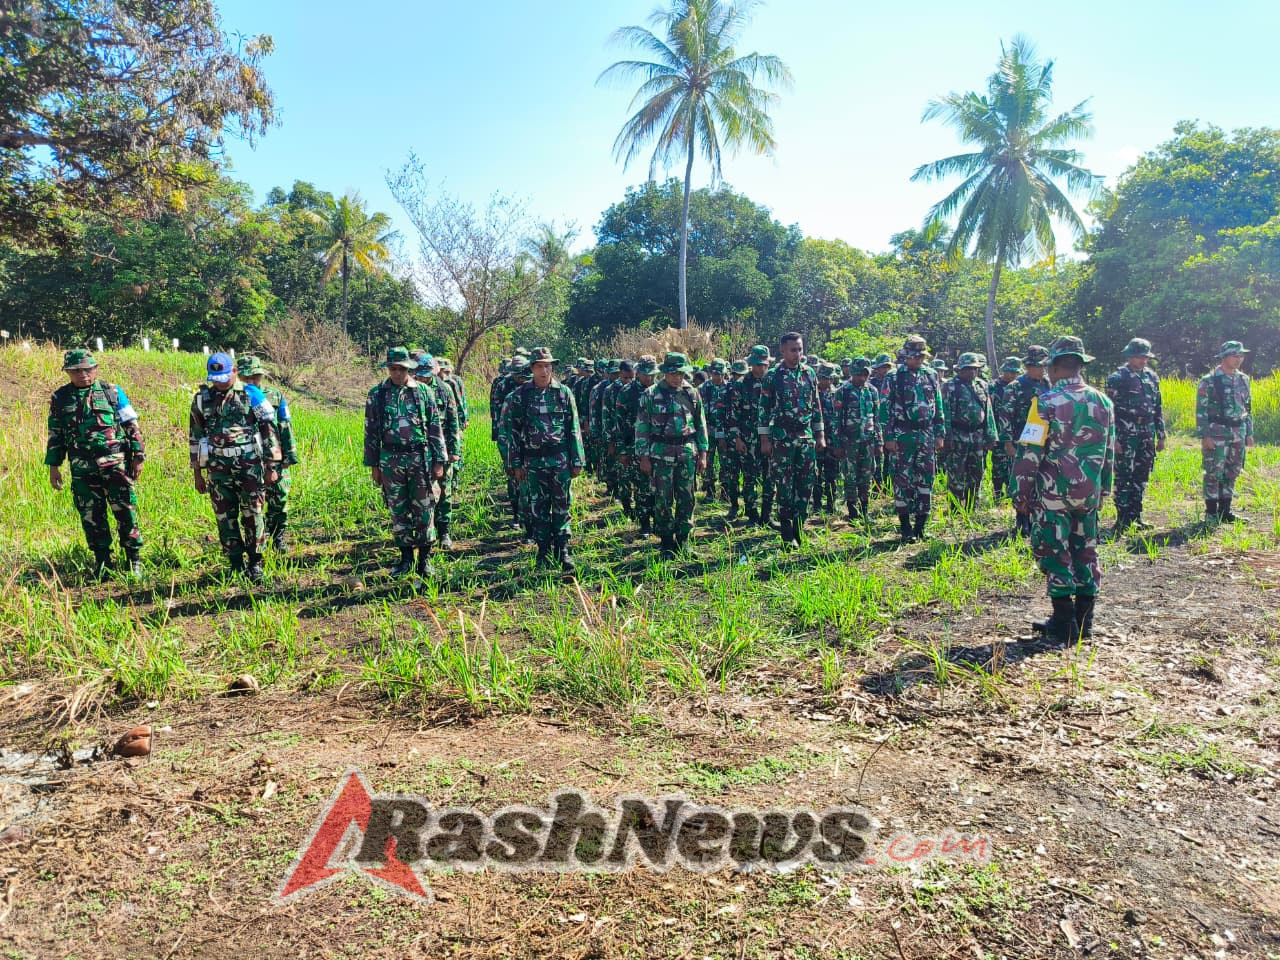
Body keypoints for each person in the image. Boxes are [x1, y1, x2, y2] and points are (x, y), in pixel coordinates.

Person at [1012, 337, 1115, 645]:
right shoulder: (1103, 402)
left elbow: (1029, 452)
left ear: (1054, 367)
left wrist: (1020, 493)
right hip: (1089, 492)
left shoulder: (1044, 403)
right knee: (1086, 550)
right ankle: (1086, 623)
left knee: (1054, 552)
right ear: (1080, 365)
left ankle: (1063, 623)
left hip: (1052, 494)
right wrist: (1104, 487)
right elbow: (1109, 451)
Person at [45, 348, 146, 578]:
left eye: (87, 369)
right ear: (68, 372)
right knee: (91, 516)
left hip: (116, 467)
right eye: (76, 371)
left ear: (96, 369)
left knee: (125, 511)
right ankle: (103, 563)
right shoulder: (60, 398)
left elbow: (131, 426)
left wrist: (138, 456)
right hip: (82, 469)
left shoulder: (112, 392)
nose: (83, 375)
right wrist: (54, 466)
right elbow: (56, 434)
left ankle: (134, 561)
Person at [190, 352, 282, 582]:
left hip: (248, 465)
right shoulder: (202, 399)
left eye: (223, 376)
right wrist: (197, 474)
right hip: (217, 467)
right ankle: (235, 562)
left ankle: (256, 561)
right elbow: (195, 437)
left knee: (253, 513)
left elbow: (269, 431)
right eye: (215, 378)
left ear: (234, 372)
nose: (219, 382)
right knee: (224, 515)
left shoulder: (252, 394)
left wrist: (272, 466)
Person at [497, 347, 585, 573]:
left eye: (548, 366)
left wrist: (577, 460)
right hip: (533, 462)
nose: (544, 371)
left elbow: (573, 427)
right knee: (537, 506)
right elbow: (509, 432)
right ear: (532, 368)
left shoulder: (564, 393)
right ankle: (543, 550)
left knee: (562, 504)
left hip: (560, 459)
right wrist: (513, 463)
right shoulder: (519, 396)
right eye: (539, 366)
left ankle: (563, 550)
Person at [363, 347, 447, 577]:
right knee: (398, 509)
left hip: (419, 458)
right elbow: (370, 432)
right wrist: (374, 466)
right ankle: (406, 559)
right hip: (390, 459)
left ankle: (425, 561)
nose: (398, 373)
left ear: (409, 368)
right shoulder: (377, 394)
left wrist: (439, 461)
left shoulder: (423, 392)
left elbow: (435, 429)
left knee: (424, 508)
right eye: (393, 369)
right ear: (388, 369)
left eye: (402, 368)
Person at [635, 352, 709, 556]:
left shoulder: (691, 393)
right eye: (674, 373)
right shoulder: (650, 395)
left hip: (687, 453)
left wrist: (703, 453)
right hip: (660, 455)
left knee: (687, 498)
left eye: (681, 373)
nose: (678, 377)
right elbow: (642, 427)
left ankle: (684, 540)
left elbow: (700, 425)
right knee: (663, 500)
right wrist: (644, 457)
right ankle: (667, 543)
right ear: (665, 373)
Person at [759, 333, 826, 546]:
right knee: (785, 486)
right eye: (792, 350)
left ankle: (799, 529)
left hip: (805, 437)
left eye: (799, 349)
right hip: (782, 438)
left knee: (806, 484)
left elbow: (816, 406)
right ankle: (787, 535)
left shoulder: (809, 374)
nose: (797, 354)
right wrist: (765, 440)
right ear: (782, 351)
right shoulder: (773, 376)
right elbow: (764, 410)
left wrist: (820, 435)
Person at [883, 336, 946, 543]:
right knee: (902, 480)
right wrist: (889, 436)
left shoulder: (930, 375)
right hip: (903, 435)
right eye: (916, 355)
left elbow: (938, 405)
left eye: (922, 355)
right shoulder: (894, 377)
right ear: (906, 356)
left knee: (926, 478)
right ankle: (905, 527)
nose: (919, 359)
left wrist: (939, 433)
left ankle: (921, 526)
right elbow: (885, 409)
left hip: (926, 435)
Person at [1105, 338, 1167, 535]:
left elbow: (1158, 407)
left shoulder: (1152, 377)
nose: (1143, 361)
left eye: (1146, 357)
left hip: (1146, 432)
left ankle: (1136, 516)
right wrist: (1112, 438)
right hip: (1125, 432)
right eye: (1140, 356)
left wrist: (1161, 434)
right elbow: (1109, 410)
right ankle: (1122, 519)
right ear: (1130, 356)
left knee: (1142, 475)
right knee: (1124, 475)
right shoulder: (1117, 378)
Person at [237, 355, 297, 552]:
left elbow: (285, 427)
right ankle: (258, 540)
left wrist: (288, 457)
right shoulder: (234, 398)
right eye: (247, 378)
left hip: (275, 457)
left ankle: (278, 537)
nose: (252, 381)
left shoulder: (275, 396)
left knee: (279, 498)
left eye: (255, 376)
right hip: (248, 459)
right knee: (253, 503)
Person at [1196, 341, 1255, 523]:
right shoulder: (1210, 381)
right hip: (1217, 433)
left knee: (1233, 471)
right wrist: (1204, 436)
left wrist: (1249, 433)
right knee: (1214, 472)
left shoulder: (1243, 379)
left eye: (1241, 355)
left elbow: (1248, 407)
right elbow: (1201, 411)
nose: (1239, 359)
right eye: (1235, 355)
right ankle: (1211, 513)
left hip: (1238, 430)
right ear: (1224, 357)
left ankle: (1225, 511)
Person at [999, 346, 1051, 537]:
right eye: (1039, 366)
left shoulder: (1049, 383)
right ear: (1029, 366)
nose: (1043, 369)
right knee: (1022, 483)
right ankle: (1022, 522)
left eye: (1045, 366)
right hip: (1023, 442)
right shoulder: (1015, 386)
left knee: (1043, 482)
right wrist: (1008, 443)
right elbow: (1005, 416)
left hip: (1045, 442)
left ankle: (1039, 519)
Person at [415, 353, 462, 550]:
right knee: (421, 495)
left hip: (441, 449)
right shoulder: (410, 389)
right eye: (420, 374)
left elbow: (453, 421)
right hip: (418, 450)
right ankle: (424, 534)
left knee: (444, 492)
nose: (423, 378)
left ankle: (444, 533)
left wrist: (454, 451)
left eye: (426, 374)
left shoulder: (444, 389)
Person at [941, 353, 999, 511]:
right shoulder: (950, 386)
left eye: (975, 369)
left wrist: (991, 435)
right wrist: (947, 437)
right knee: (956, 472)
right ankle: (955, 507)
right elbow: (945, 412)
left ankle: (973, 505)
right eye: (968, 369)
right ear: (960, 369)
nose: (972, 372)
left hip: (978, 436)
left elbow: (988, 412)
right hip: (958, 435)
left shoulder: (982, 385)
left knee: (977, 471)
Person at [832, 356, 882, 523]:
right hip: (849, 441)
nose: (862, 378)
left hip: (868, 441)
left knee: (867, 475)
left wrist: (879, 442)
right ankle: (852, 511)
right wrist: (837, 444)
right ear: (852, 373)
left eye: (865, 374)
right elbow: (836, 420)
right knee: (850, 476)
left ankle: (865, 508)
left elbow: (877, 418)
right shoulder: (842, 391)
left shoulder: (872, 391)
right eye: (859, 374)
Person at [731, 345, 774, 527]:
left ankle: (767, 515)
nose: (761, 368)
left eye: (764, 365)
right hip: (748, 440)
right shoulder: (740, 385)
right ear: (751, 364)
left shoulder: (773, 382)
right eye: (758, 365)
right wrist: (737, 438)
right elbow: (732, 415)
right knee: (750, 478)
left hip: (771, 439)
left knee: (770, 477)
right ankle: (752, 514)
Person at [988, 357, 1023, 501]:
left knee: (1014, 464)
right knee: (998, 465)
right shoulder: (993, 387)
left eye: (1015, 372)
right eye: (1010, 372)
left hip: (1016, 433)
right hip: (998, 431)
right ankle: (997, 493)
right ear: (1003, 370)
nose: (1012, 375)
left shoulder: (1018, 387)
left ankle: (1012, 493)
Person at [813, 362, 842, 514]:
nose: (827, 381)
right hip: (817, 439)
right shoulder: (813, 393)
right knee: (816, 473)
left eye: (830, 378)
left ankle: (831, 504)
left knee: (832, 474)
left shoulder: (837, 394)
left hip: (833, 440)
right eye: (824, 378)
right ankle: (816, 504)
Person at [699, 359, 730, 500]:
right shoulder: (703, 389)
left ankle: (725, 491)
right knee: (708, 462)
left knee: (726, 462)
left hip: (726, 433)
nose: (718, 377)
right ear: (710, 373)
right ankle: (709, 492)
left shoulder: (730, 388)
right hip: (708, 431)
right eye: (715, 374)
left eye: (721, 374)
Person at [868, 353, 895, 489]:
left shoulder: (894, 382)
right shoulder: (871, 385)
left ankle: (888, 485)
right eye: (883, 367)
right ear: (877, 369)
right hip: (876, 427)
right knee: (877, 458)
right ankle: (876, 487)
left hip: (891, 426)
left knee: (891, 459)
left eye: (887, 367)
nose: (885, 370)